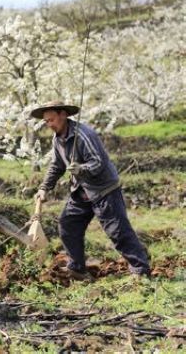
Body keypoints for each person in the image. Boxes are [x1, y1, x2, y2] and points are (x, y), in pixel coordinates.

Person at [31, 100, 150, 281]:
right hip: (81, 190)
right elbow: (56, 165)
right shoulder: (57, 139)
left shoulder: (83, 135)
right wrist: (44, 188)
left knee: (117, 231)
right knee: (68, 224)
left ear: (63, 115)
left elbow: (98, 162)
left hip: (104, 189)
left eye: (52, 119)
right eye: (46, 121)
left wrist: (81, 169)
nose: (50, 124)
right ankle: (77, 268)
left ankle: (141, 270)